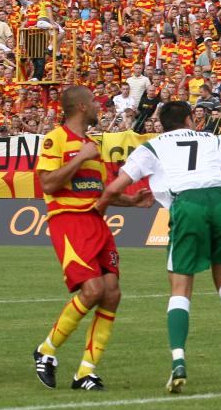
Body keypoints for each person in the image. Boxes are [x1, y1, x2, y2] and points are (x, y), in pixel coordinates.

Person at [97, 102, 221, 393]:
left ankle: (178, 361)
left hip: (188, 204)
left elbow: (116, 186)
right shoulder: (211, 138)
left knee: (180, 289)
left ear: (162, 125)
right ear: (190, 119)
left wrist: (107, 206)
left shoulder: (152, 147)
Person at [32, 86, 153, 392]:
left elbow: (99, 192)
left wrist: (131, 201)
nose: (100, 107)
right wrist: (78, 159)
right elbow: (47, 184)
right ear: (82, 107)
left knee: (111, 294)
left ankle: (85, 372)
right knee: (93, 290)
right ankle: (46, 350)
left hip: (96, 222)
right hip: (69, 222)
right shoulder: (56, 139)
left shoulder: (92, 145)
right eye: (95, 103)